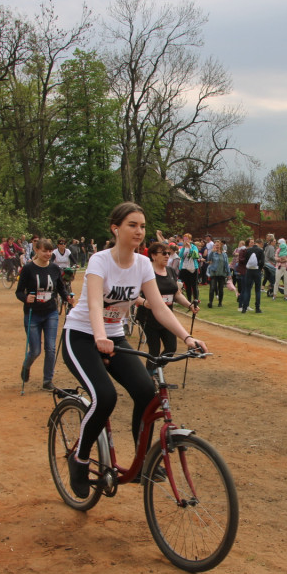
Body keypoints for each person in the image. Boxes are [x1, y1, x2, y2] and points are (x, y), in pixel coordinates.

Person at [61, 202, 208, 498]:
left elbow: (158, 307)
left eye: (142, 226)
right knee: (105, 396)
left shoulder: (142, 264)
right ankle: (78, 458)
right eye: (132, 225)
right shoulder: (100, 261)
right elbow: (93, 303)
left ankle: (141, 462)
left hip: (114, 338)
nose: (139, 231)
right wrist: (100, 335)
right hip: (81, 336)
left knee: (147, 394)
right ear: (116, 228)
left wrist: (187, 337)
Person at [133, 241, 200, 372]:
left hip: (167, 316)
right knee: (154, 350)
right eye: (163, 253)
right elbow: (133, 294)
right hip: (149, 317)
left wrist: (189, 305)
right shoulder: (146, 272)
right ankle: (150, 378)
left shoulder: (170, 270)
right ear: (153, 255)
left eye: (168, 253)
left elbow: (176, 293)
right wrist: (144, 302)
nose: (167, 256)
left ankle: (156, 370)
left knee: (171, 348)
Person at [16, 238, 72, 390]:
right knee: (35, 350)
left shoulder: (54, 269)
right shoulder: (28, 269)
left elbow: (60, 288)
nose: (48, 254)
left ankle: (48, 380)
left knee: (51, 348)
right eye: (44, 251)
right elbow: (19, 291)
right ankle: (26, 366)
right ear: (37, 251)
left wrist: (67, 296)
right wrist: (26, 298)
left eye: (49, 251)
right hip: (33, 313)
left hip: (50, 312)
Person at [239, 238, 264, 313]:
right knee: (257, 290)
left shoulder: (248, 250)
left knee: (247, 289)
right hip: (257, 271)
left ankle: (244, 308)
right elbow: (262, 262)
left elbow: (246, 260)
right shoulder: (260, 250)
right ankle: (257, 308)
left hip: (249, 271)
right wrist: (259, 268)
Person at [176, 233, 201, 304]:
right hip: (185, 268)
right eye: (185, 239)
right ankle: (189, 300)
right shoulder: (183, 248)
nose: (186, 240)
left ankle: (196, 299)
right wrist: (184, 248)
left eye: (187, 239)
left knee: (194, 284)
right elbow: (180, 256)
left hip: (193, 268)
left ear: (190, 240)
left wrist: (190, 248)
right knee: (187, 285)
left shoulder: (193, 247)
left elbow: (195, 255)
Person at [206, 240, 230, 308]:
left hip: (222, 273)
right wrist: (212, 252)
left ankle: (220, 302)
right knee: (212, 288)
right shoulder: (212, 253)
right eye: (215, 245)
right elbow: (208, 259)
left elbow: (226, 264)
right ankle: (210, 302)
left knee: (221, 289)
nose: (216, 246)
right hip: (214, 273)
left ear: (220, 246)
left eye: (218, 245)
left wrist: (229, 274)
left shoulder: (224, 254)